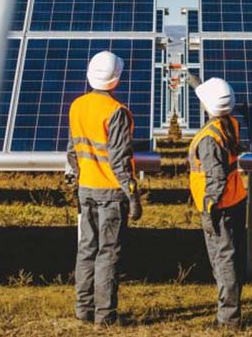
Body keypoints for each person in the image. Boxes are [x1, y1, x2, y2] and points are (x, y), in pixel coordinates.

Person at [65, 50, 143, 326]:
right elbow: (120, 161)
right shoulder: (116, 112)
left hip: (85, 188)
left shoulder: (77, 106)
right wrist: (133, 196)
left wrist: (79, 177)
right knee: (108, 254)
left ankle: (82, 310)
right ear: (116, 79)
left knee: (86, 249)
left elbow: (73, 150)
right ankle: (105, 316)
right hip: (110, 193)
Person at [188, 77, 248, 327]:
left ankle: (228, 319)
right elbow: (216, 102)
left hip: (218, 207)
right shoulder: (229, 123)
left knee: (223, 260)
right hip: (235, 199)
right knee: (230, 257)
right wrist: (197, 84)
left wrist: (210, 207)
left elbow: (216, 177)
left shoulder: (209, 138)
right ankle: (229, 312)